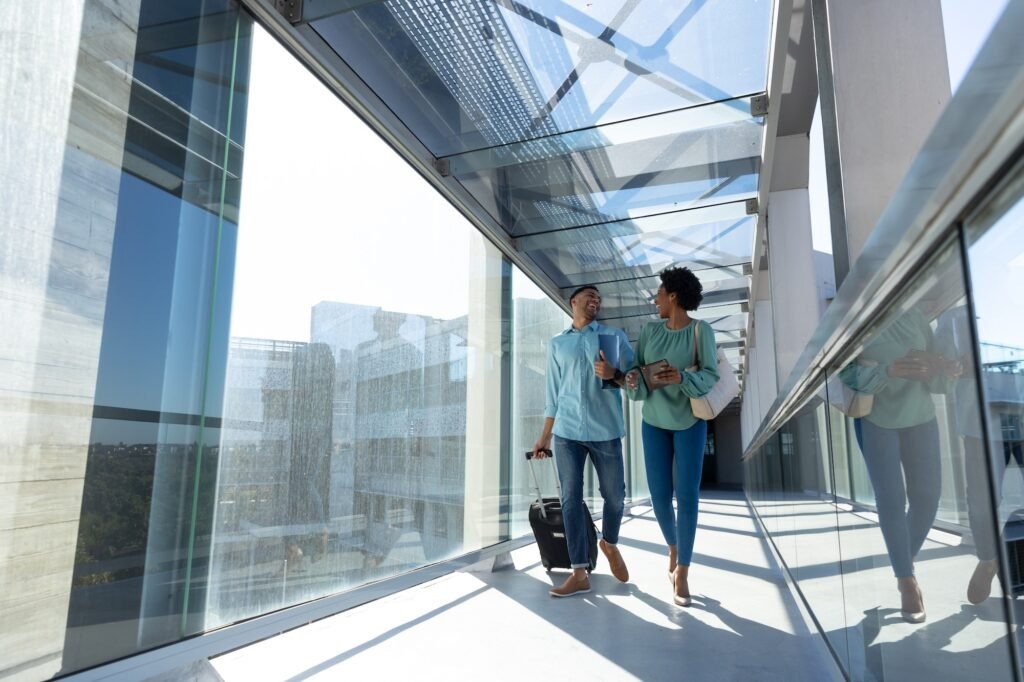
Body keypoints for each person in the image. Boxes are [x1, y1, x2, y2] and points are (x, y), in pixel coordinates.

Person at [839, 305, 958, 623]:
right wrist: (888, 371)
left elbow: (938, 375)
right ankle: (907, 582)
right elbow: (846, 374)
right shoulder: (856, 322)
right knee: (891, 501)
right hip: (875, 418)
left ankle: (903, 559)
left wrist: (942, 369)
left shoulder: (916, 317)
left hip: (921, 415)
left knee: (928, 497)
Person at [624, 267, 719, 607]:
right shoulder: (650, 331)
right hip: (653, 420)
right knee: (659, 496)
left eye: (660, 293)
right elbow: (636, 368)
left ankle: (683, 571)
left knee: (688, 496)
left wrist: (681, 377)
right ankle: (674, 546)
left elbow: (711, 374)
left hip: (690, 421)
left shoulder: (700, 331)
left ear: (674, 296)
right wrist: (633, 379)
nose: (656, 299)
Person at [532, 284, 634, 597]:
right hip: (567, 432)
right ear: (574, 301)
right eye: (589, 295)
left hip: (605, 430)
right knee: (570, 499)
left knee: (615, 496)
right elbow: (553, 393)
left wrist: (615, 372)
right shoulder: (557, 343)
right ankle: (579, 572)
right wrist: (544, 436)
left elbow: (633, 381)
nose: (596, 300)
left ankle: (610, 543)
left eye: (599, 298)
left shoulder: (611, 336)